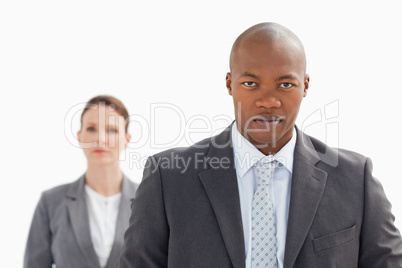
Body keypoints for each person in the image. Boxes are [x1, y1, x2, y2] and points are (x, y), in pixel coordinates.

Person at [119, 23, 402, 267]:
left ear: (305, 86)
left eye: (285, 85)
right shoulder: (168, 177)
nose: (269, 101)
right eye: (252, 83)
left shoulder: (355, 179)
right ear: (230, 84)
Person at [24, 95, 138, 268]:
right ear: (79, 135)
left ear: (126, 139)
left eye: (112, 130)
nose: (100, 139)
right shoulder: (51, 202)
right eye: (91, 128)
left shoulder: (148, 200)